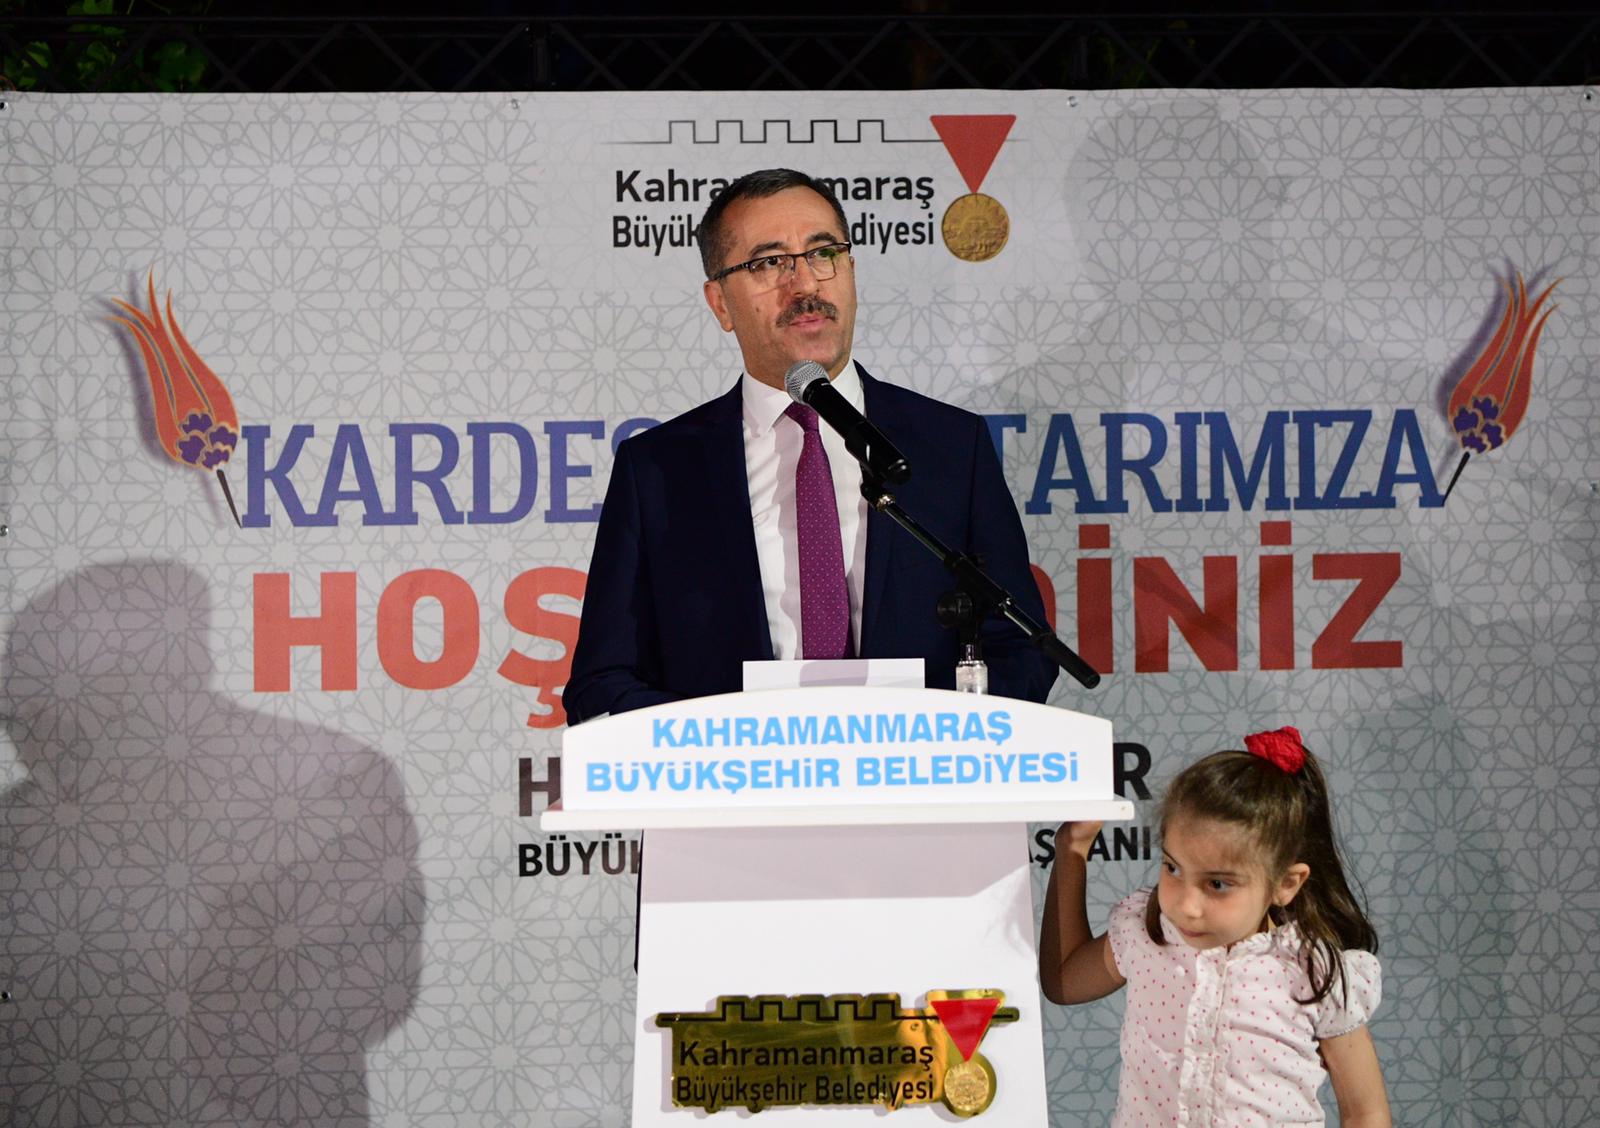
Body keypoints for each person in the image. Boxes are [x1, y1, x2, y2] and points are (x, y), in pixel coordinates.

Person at [565, 168, 1057, 722]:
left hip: (918, 771)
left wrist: (934, 738)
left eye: (824, 254)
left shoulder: (951, 446)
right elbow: (603, 680)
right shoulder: (657, 469)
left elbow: (1021, 648)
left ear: (851, 272)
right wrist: (723, 744)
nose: (805, 286)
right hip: (732, 774)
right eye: (769, 262)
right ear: (720, 303)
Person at [1039, 726, 1391, 1127]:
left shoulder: (1313, 970)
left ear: (1285, 883)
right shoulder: (1144, 933)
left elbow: (1365, 1111)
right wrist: (1072, 847)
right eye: (1173, 868)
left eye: (1218, 884)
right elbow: (1063, 981)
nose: (1187, 907)